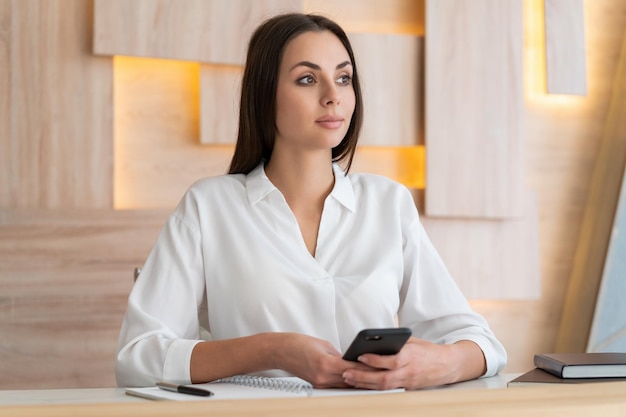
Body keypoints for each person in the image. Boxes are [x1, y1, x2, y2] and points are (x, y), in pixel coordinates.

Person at [115, 12, 507, 390]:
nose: (332, 96)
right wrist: (274, 349)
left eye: (344, 77)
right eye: (307, 79)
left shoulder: (389, 203)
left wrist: (440, 364)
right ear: (265, 94)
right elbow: (137, 358)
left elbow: (481, 344)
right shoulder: (209, 207)